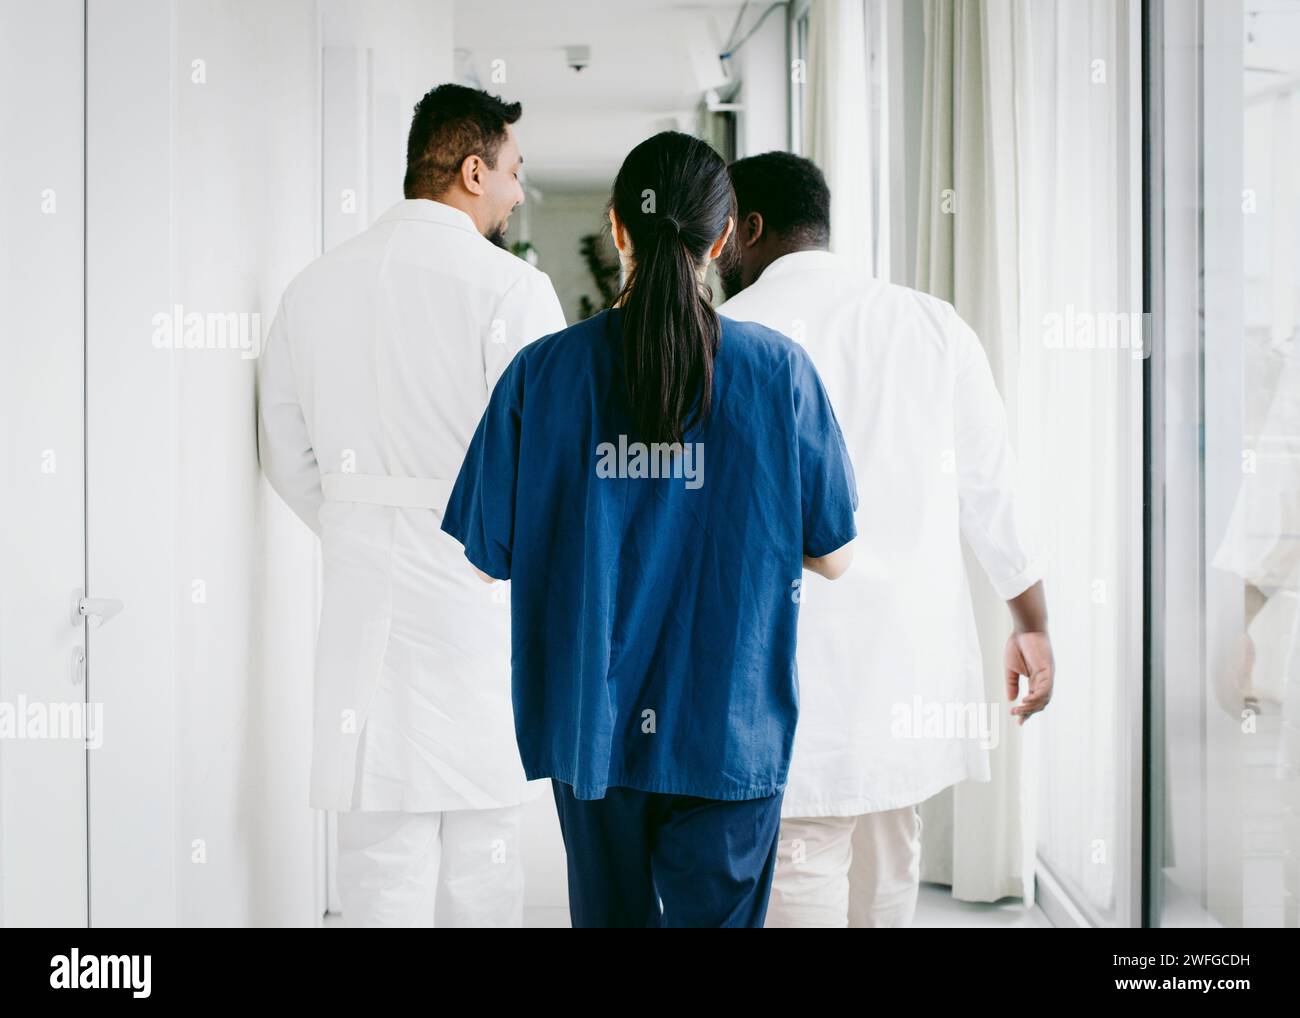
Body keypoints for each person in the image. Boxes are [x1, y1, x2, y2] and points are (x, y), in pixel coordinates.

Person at [439, 131, 859, 928]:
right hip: (730, 725)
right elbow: (834, 554)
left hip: (595, 727)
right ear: (725, 237)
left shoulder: (543, 372)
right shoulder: (780, 374)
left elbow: (489, 559)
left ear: (617, 229)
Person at [716, 151, 1054, 928]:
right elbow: (993, 491)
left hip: (781, 664)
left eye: (723, 234)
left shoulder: (727, 336)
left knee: (801, 861)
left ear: (749, 229)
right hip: (907, 664)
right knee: (889, 857)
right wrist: (1031, 624)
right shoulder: (933, 325)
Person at [257, 83, 566, 927]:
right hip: (475, 604)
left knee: (376, 862)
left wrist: (357, 524)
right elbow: (544, 461)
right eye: (511, 172)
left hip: (363, 600)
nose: (515, 193)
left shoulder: (313, 286)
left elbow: (283, 448)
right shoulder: (514, 291)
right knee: (484, 864)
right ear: (472, 169)